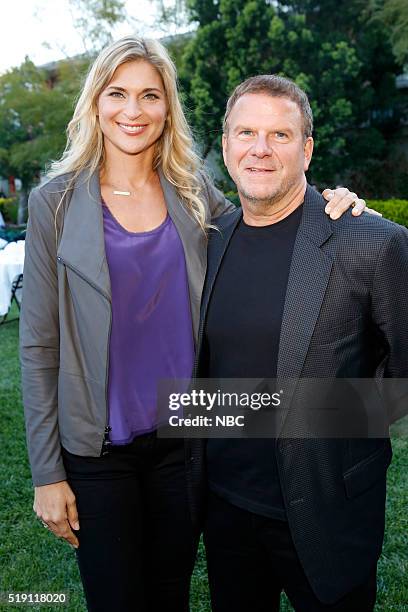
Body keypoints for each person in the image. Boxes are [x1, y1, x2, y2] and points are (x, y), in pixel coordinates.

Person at [20, 36, 367, 611]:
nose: (133, 111)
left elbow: (270, 221)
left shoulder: (193, 191)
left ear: (167, 108)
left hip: (187, 445)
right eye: (118, 94)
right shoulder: (53, 204)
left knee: (171, 595)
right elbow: (37, 347)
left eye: (150, 96)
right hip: (98, 451)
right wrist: (46, 473)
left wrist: (338, 202)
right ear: (95, 103)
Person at [193, 74, 408, 611]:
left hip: (328, 509)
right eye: (245, 133)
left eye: (280, 136)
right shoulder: (208, 240)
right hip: (225, 512)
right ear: (225, 146)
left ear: (307, 149)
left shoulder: (368, 242)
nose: (260, 150)